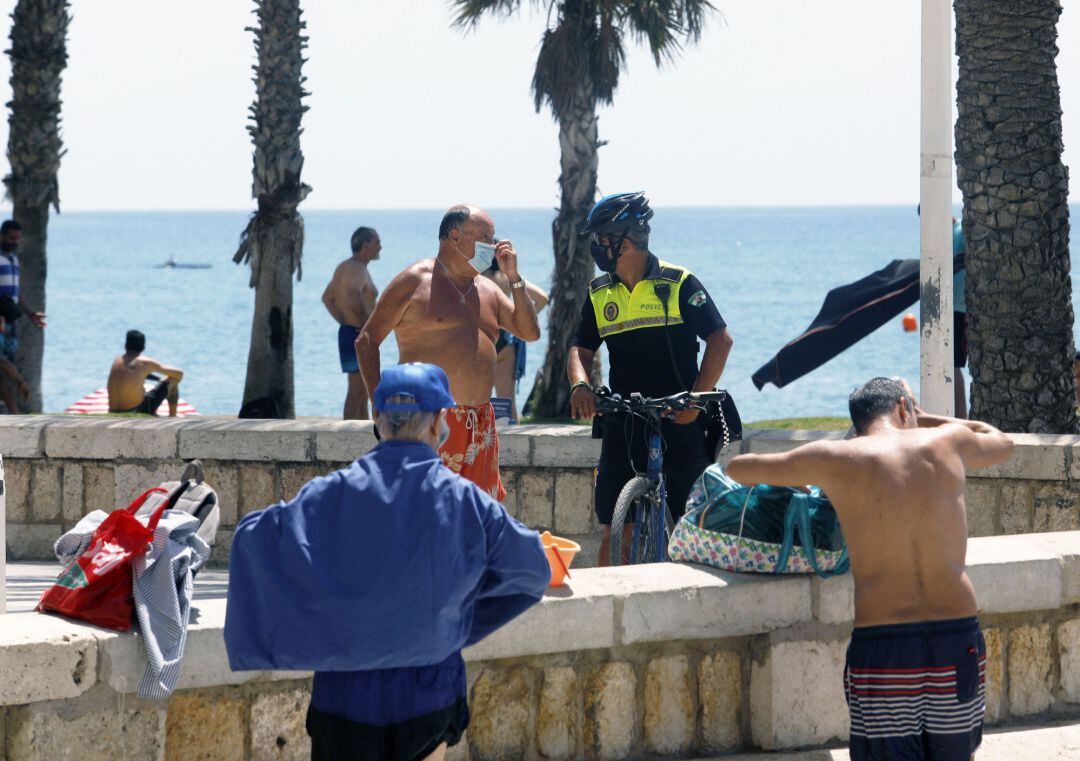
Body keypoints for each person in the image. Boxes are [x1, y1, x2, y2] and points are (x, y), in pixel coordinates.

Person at [225, 363, 551, 761]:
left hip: (343, 696)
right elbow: (533, 570)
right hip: (428, 691)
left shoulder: (329, 494)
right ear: (438, 424)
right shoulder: (465, 500)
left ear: (377, 419)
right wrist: (461, 624)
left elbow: (253, 540)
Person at [725, 377, 1014, 761]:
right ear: (901, 407)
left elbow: (738, 468)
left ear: (859, 421)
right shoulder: (949, 440)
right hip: (955, 633)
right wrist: (926, 417)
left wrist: (818, 461)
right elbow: (1001, 442)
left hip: (884, 641)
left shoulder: (838, 458)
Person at [567, 192, 733, 565]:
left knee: (694, 523)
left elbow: (720, 340)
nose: (596, 246)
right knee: (614, 525)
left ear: (624, 240)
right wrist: (580, 384)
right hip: (624, 418)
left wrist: (695, 400)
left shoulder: (678, 283)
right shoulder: (599, 292)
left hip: (681, 417)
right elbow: (581, 348)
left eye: (601, 238)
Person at [356, 204, 542, 501]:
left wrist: (514, 278)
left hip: (480, 423)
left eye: (493, 238)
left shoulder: (489, 289)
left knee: (479, 516)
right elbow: (367, 341)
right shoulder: (415, 281)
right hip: (428, 421)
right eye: (485, 237)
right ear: (455, 236)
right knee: (425, 515)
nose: (493, 246)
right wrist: (378, 406)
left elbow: (530, 332)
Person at [323, 226, 382, 420]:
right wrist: (368, 327)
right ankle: (348, 434)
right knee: (358, 390)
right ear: (365, 246)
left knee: (362, 391)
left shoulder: (345, 267)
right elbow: (354, 296)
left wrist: (344, 321)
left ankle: (362, 434)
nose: (380, 247)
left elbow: (328, 298)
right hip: (358, 333)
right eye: (377, 243)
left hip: (350, 331)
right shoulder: (356, 268)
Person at [481, 259, 548, 421]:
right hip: (506, 340)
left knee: (477, 398)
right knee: (507, 401)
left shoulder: (478, 278)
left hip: (484, 340)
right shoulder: (507, 278)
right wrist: (519, 325)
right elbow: (542, 298)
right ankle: (514, 442)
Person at [0, 220, 47, 411]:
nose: (15, 242)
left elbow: (16, 292)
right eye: (11, 238)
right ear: (1, 236)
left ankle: (13, 409)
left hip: (10, 321)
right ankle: (19, 386)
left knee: (4, 366)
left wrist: (30, 314)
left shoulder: (13, 260)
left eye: (17, 239)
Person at [107, 330, 184, 416]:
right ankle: (173, 417)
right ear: (143, 348)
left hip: (112, 411)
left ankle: (157, 415)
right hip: (136, 410)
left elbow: (132, 372)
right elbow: (179, 374)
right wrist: (164, 379)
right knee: (172, 380)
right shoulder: (144, 362)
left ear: (125, 346)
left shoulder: (117, 361)